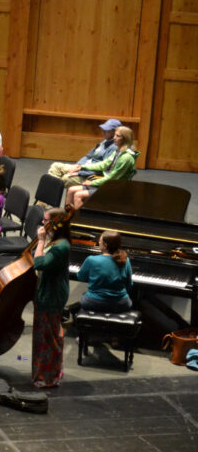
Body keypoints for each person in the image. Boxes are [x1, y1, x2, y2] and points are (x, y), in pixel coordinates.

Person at [31, 208, 72, 388]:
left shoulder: (61, 246)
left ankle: (49, 376)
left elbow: (40, 264)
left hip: (51, 295)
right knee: (44, 336)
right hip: (48, 292)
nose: (43, 223)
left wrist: (40, 241)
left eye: (46, 220)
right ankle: (43, 373)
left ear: (55, 223)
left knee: (49, 337)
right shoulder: (57, 241)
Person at [65, 126, 138, 209]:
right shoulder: (118, 151)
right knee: (71, 190)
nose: (114, 138)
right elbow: (103, 164)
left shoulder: (126, 158)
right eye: (115, 135)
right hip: (106, 183)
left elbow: (112, 178)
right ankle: (66, 218)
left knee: (78, 195)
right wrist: (82, 167)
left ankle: (80, 220)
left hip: (113, 188)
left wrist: (92, 183)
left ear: (125, 139)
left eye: (117, 136)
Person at [48, 118, 122, 186]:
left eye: (106, 131)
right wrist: (78, 166)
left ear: (114, 132)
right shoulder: (104, 142)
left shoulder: (114, 148)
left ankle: (48, 198)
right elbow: (88, 156)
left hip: (89, 175)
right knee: (55, 166)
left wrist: (79, 173)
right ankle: (47, 198)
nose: (103, 132)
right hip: (82, 168)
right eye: (103, 130)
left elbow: (102, 169)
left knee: (64, 179)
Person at [77, 230, 133, 313]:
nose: (98, 243)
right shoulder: (126, 260)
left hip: (94, 302)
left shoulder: (91, 259)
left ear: (105, 245)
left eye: (100, 241)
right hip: (121, 304)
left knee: (82, 297)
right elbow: (129, 285)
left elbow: (80, 277)